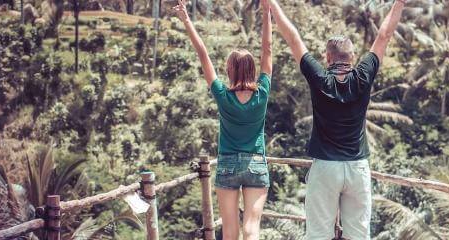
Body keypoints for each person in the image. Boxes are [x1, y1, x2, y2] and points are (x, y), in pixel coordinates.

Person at [267, 0, 407, 239]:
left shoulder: (320, 78)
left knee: (319, 234)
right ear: (352, 57)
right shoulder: (363, 75)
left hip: (325, 168)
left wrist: (270, 3)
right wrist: (400, 3)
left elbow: (293, 38)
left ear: (327, 57)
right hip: (357, 167)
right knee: (358, 234)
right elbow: (384, 35)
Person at [173, 0, 272, 239]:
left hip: (227, 163)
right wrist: (267, 13)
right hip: (256, 163)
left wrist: (186, 20)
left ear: (229, 70)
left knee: (229, 229)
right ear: (252, 70)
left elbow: (203, 53)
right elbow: (267, 50)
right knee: (251, 226)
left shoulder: (222, 95)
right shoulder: (263, 92)